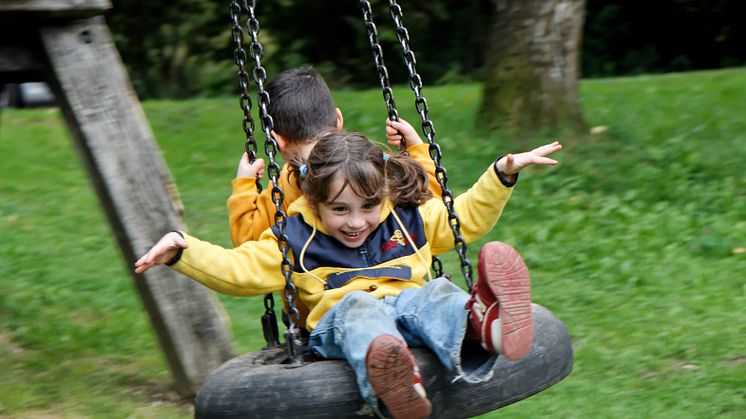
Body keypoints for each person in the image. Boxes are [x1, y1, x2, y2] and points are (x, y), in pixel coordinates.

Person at [136, 130, 562, 418]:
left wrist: (502, 174)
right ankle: (393, 381)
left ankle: (488, 327)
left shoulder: (406, 216)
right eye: (340, 210)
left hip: (407, 305)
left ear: (384, 193)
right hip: (339, 322)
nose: (356, 221)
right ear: (314, 200)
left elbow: (463, 218)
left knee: (435, 294)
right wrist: (184, 250)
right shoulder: (294, 235)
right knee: (360, 308)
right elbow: (240, 269)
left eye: (368, 206)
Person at [227, 66, 440, 246]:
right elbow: (430, 208)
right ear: (338, 119)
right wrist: (417, 148)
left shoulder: (287, 185)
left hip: (323, 294)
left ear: (276, 140)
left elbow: (249, 241)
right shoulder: (372, 163)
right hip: (395, 287)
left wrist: (244, 185)